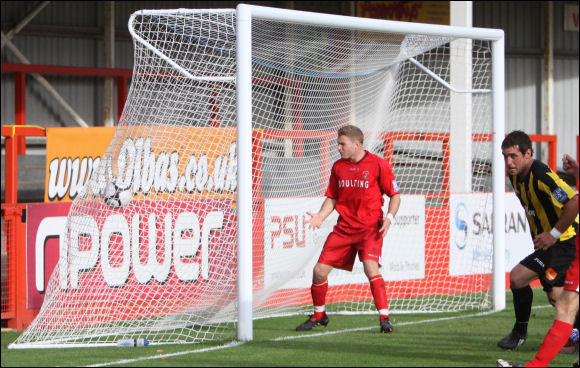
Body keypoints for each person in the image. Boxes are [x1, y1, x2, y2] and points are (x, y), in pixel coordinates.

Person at [295, 125, 401, 333]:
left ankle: (385, 318)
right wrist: (320, 216)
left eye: (342, 144)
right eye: (338, 143)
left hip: (370, 228)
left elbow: (395, 195)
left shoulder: (379, 165)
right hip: (344, 228)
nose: (339, 147)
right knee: (319, 271)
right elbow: (333, 197)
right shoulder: (338, 167)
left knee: (371, 269)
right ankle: (319, 315)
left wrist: (389, 218)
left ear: (357, 144)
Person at [496, 131, 578, 351]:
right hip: (549, 243)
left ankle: (572, 337)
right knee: (518, 279)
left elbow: (573, 203)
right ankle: (520, 332)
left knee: (556, 295)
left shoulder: (541, 174)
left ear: (528, 153)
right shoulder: (514, 176)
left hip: (567, 239)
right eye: (505, 157)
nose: (509, 162)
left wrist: (553, 234)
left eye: (513, 156)